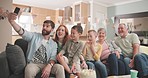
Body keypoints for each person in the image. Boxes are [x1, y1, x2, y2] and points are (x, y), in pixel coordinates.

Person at [8, 13, 65, 78]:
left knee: (60, 68)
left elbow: (53, 58)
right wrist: (12, 22)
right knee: (29, 70)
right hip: (33, 64)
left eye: (47, 26)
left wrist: (49, 66)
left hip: (47, 64)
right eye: (43, 26)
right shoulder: (34, 36)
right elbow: (22, 32)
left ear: (52, 29)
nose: (44, 27)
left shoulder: (53, 44)